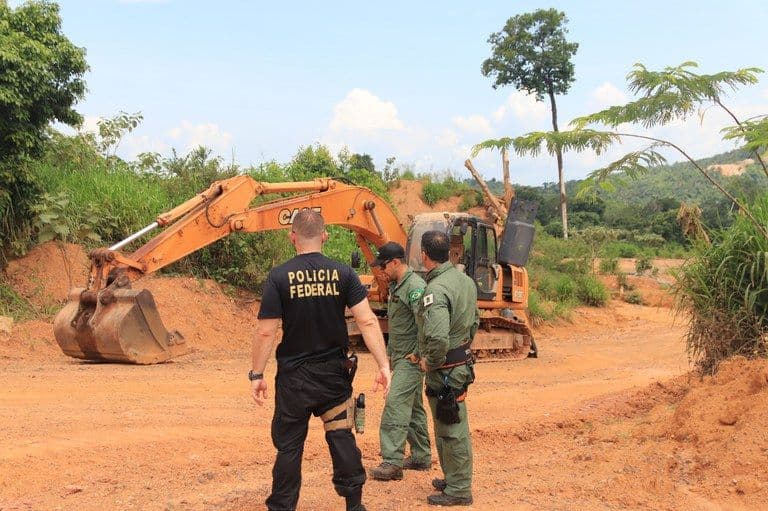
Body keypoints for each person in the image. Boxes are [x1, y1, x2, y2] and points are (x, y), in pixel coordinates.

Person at [250, 209, 391, 511]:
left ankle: (282, 507)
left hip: (294, 379)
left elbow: (265, 332)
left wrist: (256, 374)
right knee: (341, 437)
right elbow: (367, 322)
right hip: (333, 377)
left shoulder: (279, 276)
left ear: (293, 237)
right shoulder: (344, 273)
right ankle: (354, 505)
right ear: (325, 236)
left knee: (289, 447)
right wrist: (383, 365)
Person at [417, 230, 478, 507]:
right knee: (447, 424)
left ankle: (460, 489)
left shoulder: (436, 290)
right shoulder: (464, 281)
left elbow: (439, 338)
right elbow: (474, 322)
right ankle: (453, 478)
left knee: (451, 429)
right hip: (459, 364)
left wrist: (430, 361)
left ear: (424, 254)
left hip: (445, 370)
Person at [368, 242, 432, 481]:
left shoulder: (414, 287)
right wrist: (389, 359)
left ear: (395, 262)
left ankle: (392, 462)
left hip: (411, 359)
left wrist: (418, 353)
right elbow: (399, 327)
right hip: (400, 357)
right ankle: (421, 456)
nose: (381, 270)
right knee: (413, 407)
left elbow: (425, 323)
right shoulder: (397, 286)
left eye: (383, 265)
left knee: (395, 404)